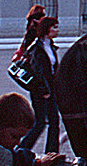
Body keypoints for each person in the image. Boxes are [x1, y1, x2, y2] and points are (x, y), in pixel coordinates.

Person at [26, 16, 62, 153]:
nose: (57, 30)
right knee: (40, 123)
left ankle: (52, 152)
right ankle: (23, 148)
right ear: (47, 29)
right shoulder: (37, 48)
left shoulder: (50, 46)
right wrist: (44, 90)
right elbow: (38, 72)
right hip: (41, 90)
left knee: (54, 121)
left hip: (50, 88)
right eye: (54, 27)